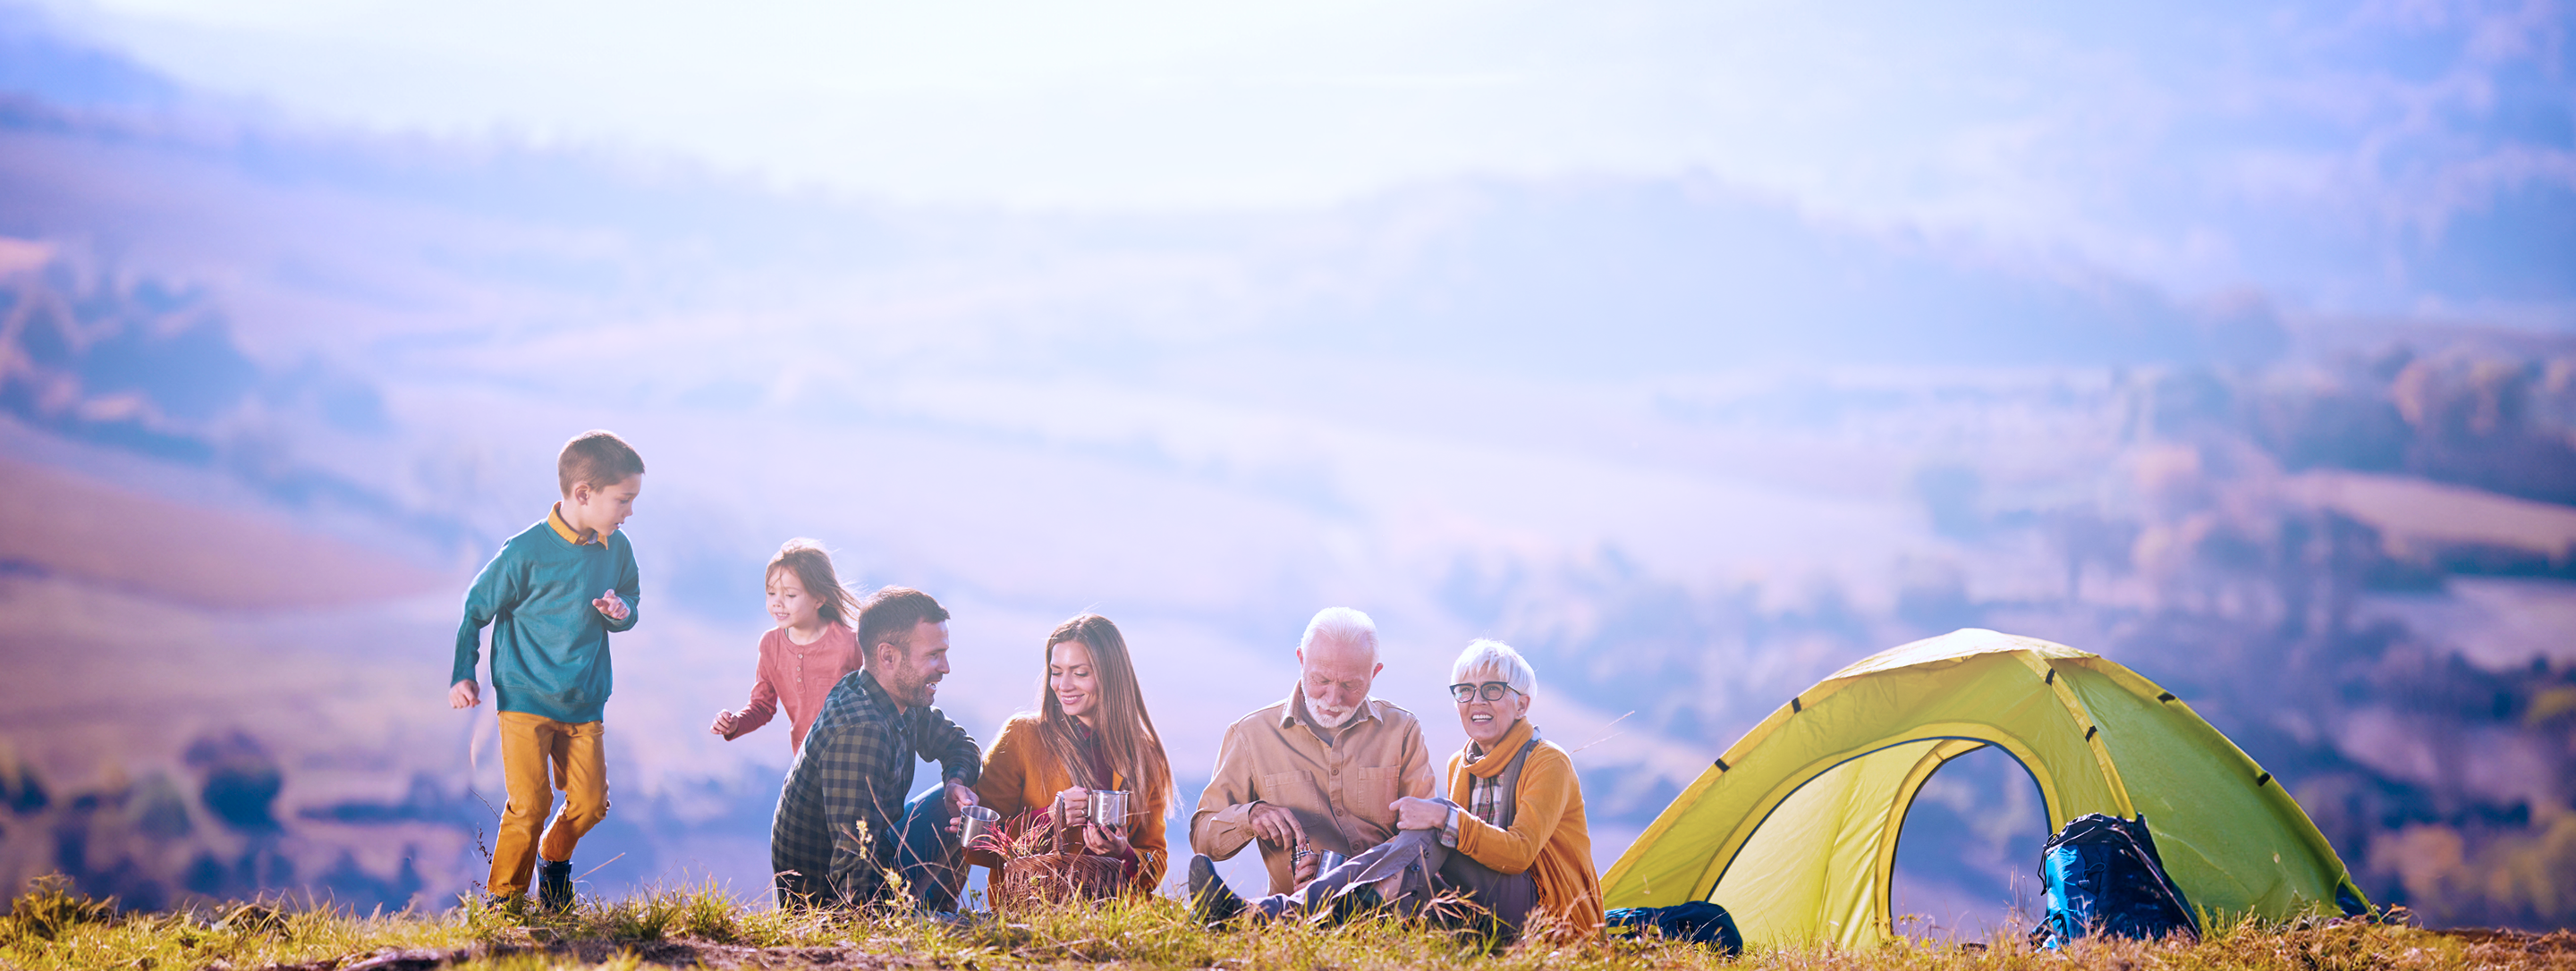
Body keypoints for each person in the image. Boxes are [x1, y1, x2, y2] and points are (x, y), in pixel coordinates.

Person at [1189, 638, 1606, 941]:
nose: (1477, 701)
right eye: (1465, 691)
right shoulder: (1460, 764)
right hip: (1482, 911)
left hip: (1550, 919)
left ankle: (1290, 913)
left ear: (1522, 704)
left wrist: (1445, 818)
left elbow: (1518, 854)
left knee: (1434, 825)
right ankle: (1338, 908)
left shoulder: (1547, 761)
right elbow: (1443, 860)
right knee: (1426, 844)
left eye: (1494, 690)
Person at [447, 429, 646, 910]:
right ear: (583, 494)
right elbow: (476, 608)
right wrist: (463, 672)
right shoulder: (523, 552)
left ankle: (552, 862)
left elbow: (631, 601)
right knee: (531, 805)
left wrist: (621, 612)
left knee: (591, 804)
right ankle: (504, 904)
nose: (629, 512)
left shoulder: (616, 549)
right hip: (526, 699)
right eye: (623, 500)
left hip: (584, 700)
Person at [1187, 607, 1435, 898]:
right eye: (1322, 680)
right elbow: (1203, 839)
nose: (1333, 698)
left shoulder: (1402, 729)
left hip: (1387, 905)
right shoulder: (1250, 735)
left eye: (1350, 685)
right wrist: (1251, 815)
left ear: (1375, 673)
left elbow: (1426, 837)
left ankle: (1254, 914)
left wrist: (1342, 877)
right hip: (1298, 912)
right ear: (1301, 661)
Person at [769, 587, 983, 909]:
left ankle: (934, 910)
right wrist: (903, 922)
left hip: (875, 856)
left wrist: (955, 783)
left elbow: (960, 745)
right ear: (888, 656)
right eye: (933, 655)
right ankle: (930, 921)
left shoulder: (894, 695)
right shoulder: (861, 731)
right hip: (826, 904)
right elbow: (855, 869)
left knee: (960, 804)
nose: (945, 667)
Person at [967, 613, 1175, 896]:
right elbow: (977, 847)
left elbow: (1155, 859)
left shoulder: (1144, 755)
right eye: (1056, 671)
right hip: (1032, 914)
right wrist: (1048, 819)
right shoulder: (1022, 737)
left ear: (1111, 677)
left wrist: (1124, 853)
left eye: (1080, 673)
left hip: (1116, 917)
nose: (1063, 686)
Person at [710, 539, 864, 755]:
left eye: (790, 595)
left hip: (853, 760)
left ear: (819, 598)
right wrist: (735, 723)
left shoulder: (850, 643)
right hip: (805, 764)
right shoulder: (770, 645)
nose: (777, 602)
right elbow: (762, 707)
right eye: (771, 593)